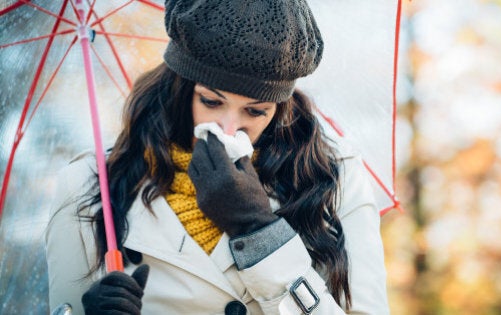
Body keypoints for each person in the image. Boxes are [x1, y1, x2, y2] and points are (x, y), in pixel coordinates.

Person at [46, 0, 389, 314]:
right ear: (181, 88)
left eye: (255, 111)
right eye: (211, 102)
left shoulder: (332, 176)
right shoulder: (91, 185)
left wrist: (259, 233)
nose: (229, 128)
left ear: (278, 107)